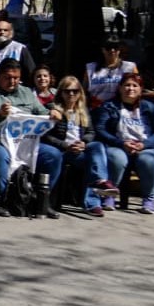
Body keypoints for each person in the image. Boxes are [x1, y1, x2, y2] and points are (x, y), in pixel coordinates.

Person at [0, 58, 62, 217]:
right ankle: (2, 200)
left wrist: (52, 113)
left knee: (53, 155)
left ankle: (41, 200)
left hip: (27, 141)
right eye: (8, 77)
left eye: (16, 78)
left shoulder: (27, 93)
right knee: (1, 157)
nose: (12, 82)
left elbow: (42, 112)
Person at [44, 76, 119, 217]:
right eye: (67, 91)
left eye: (75, 91)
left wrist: (83, 142)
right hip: (62, 151)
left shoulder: (82, 110)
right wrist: (66, 145)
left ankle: (100, 183)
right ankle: (93, 201)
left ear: (80, 93)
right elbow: (45, 136)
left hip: (79, 150)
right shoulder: (52, 109)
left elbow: (91, 132)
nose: (71, 94)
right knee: (94, 161)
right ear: (61, 92)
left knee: (97, 147)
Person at [93, 73, 154, 214]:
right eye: (127, 85)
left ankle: (149, 199)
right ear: (120, 88)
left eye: (134, 85)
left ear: (140, 89)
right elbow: (100, 129)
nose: (130, 89)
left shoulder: (150, 107)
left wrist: (144, 145)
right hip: (118, 145)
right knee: (116, 158)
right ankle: (109, 195)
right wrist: (121, 143)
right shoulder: (109, 106)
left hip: (144, 147)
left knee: (148, 160)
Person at [85, 37, 137, 108]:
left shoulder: (130, 67)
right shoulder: (91, 68)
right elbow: (83, 92)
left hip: (121, 110)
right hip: (96, 109)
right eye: (108, 47)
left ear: (119, 50)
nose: (112, 50)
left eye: (115, 47)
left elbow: (137, 89)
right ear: (103, 49)